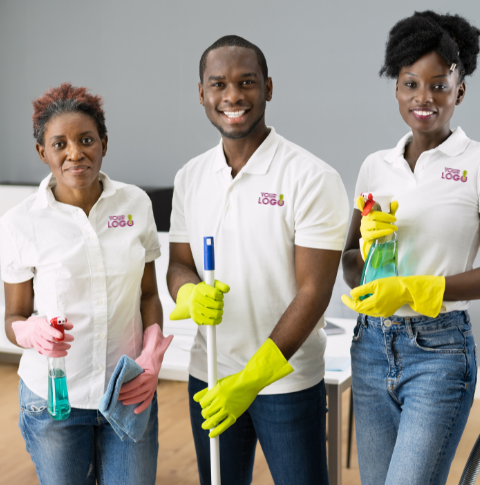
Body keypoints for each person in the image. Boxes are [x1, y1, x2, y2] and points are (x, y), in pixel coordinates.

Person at [340, 11, 480, 485]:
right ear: (396, 87)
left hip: (439, 351)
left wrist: (415, 288)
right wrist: (369, 251)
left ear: (459, 91)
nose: (424, 98)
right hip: (370, 346)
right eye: (410, 83)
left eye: (439, 85)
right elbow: (350, 268)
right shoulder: (374, 166)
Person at [166, 35, 349, 485]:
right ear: (202, 93)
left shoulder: (311, 177)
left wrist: (250, 380)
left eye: (246, 82)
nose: (232, 96)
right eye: (219, 84)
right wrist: (189, 293)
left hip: (285, 383)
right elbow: (179, 265)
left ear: (268, 87)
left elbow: (315, 292)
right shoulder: (190, 177)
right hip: (208, 374)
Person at [1, 83, 169, 485]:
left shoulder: (135, 205)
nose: (75, 153)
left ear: (104, 144)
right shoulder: (20, 222)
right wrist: (29, 331)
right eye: (59, 144)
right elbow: (14, 315)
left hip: (128, 391)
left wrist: (151, 353)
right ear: (43, 153)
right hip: (54, 401)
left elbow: (149, 295)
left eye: (86, 139)